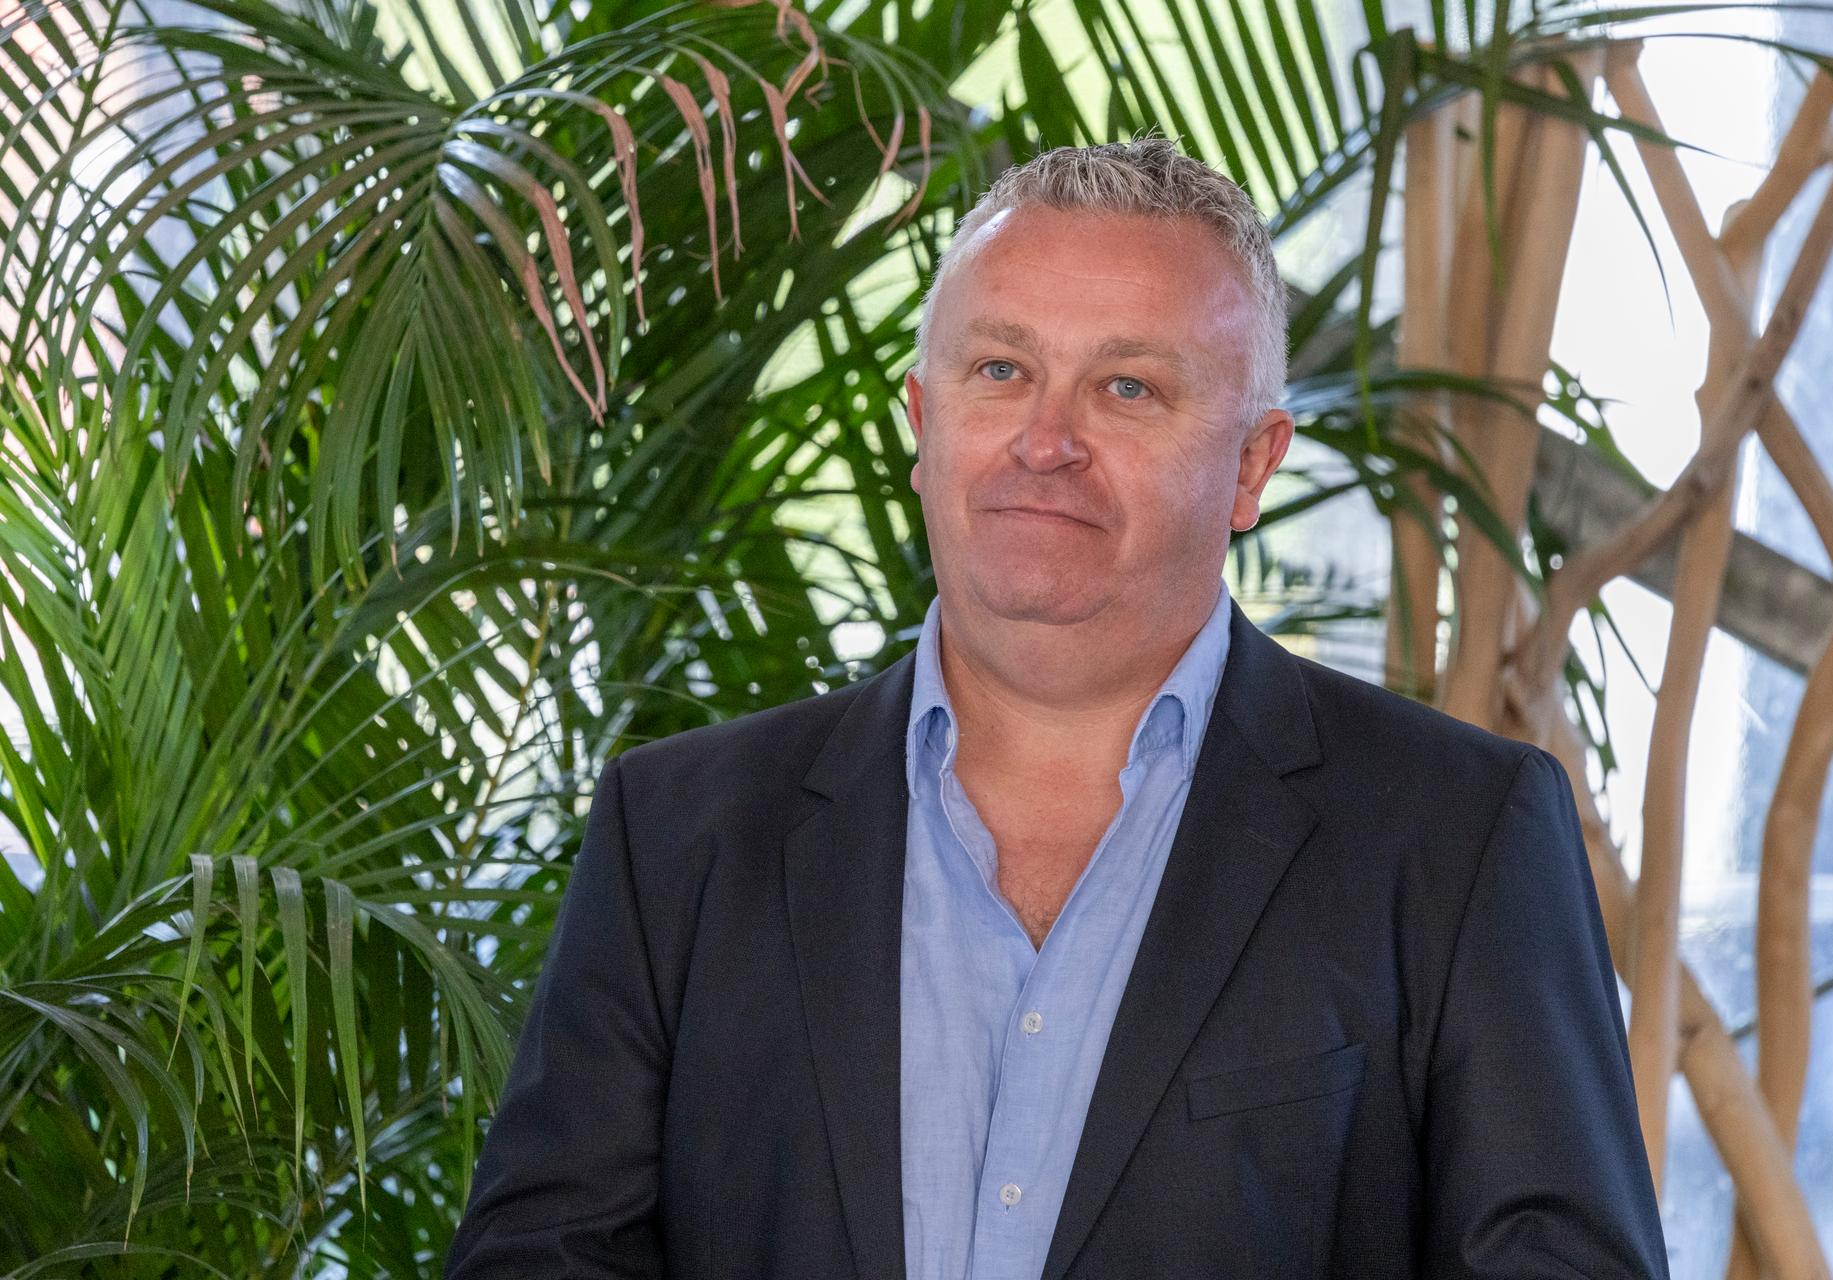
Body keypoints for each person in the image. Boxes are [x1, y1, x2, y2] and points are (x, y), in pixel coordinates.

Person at [444, 138, 1669, 1279]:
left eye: (1128, 388)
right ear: (923, 428)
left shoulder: (1457, 836)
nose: (1046, 439)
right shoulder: (679, 834)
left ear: (1251, 463)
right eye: (1000, 369)